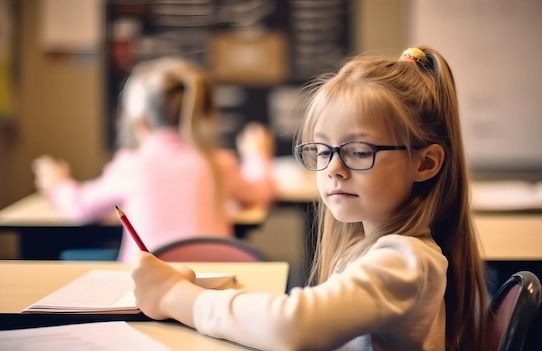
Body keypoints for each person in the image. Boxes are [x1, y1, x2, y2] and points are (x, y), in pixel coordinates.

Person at [130, 47, 489, 351]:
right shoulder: (372, 251)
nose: (334, 169)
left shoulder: (406, 263)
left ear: (425, 163)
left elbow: (292, 326)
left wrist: (174, 298)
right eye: (322, 151)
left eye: (360, 151)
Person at [32, 57, 276, 263]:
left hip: (147, 293)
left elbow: (81, 207)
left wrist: (58, 183)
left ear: (142, 122)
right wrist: (257, 156)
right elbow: (260, 192)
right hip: (212, 293)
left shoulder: (131, 165)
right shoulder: (218, 162)